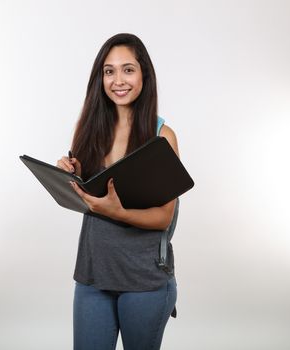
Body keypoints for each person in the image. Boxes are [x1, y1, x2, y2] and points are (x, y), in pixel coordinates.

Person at [56, 33, 180, 350]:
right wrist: (71, 175)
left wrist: (117, 212)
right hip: (93, 275)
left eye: (128, 69)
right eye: (109, 71)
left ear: (143, 76)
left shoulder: (161, 136)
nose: (118, 80)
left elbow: (164, 217)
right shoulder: (87, 126)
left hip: (144, 282)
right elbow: (84, 195)